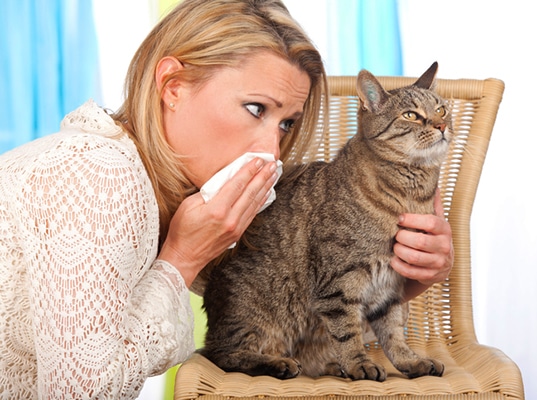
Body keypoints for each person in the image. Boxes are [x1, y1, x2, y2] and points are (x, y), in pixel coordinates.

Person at [0, 0, 453, 398]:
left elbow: (272, 284)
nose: (271, 150)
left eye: (286, 124)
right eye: (255, 108)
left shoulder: (173, 187)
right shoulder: (100, 174)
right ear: (172, 86)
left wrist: (405, 275)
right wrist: (181, 258)